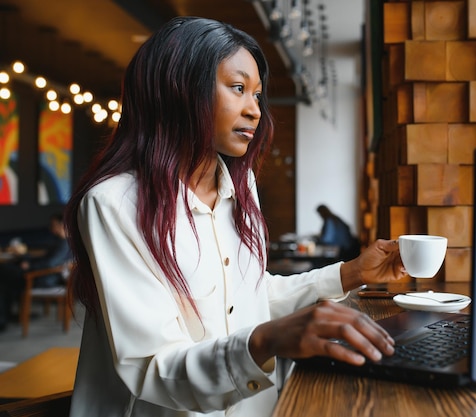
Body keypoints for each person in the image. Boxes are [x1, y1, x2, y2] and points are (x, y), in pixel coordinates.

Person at [64, 17, 406, 417]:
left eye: (258, 95)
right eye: (239, 88)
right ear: (179, 89)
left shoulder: (241, 190)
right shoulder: (114, 203)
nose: (255, 110)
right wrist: (263, 341)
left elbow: (251, 298)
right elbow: (152, 368)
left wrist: (351, 273)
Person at [0, 213, 71, 330]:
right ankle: (6, 316)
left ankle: (4, 318)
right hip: (43, 275)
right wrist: (26, 260)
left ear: (61, 225)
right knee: (5, 280)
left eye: (53, 225)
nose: (50, 228)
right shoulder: (62, 242)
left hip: (44, 279)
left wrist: (29, 267)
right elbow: (46, 259)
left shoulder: (64, 243)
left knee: (4, 272)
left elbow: (50, 264)